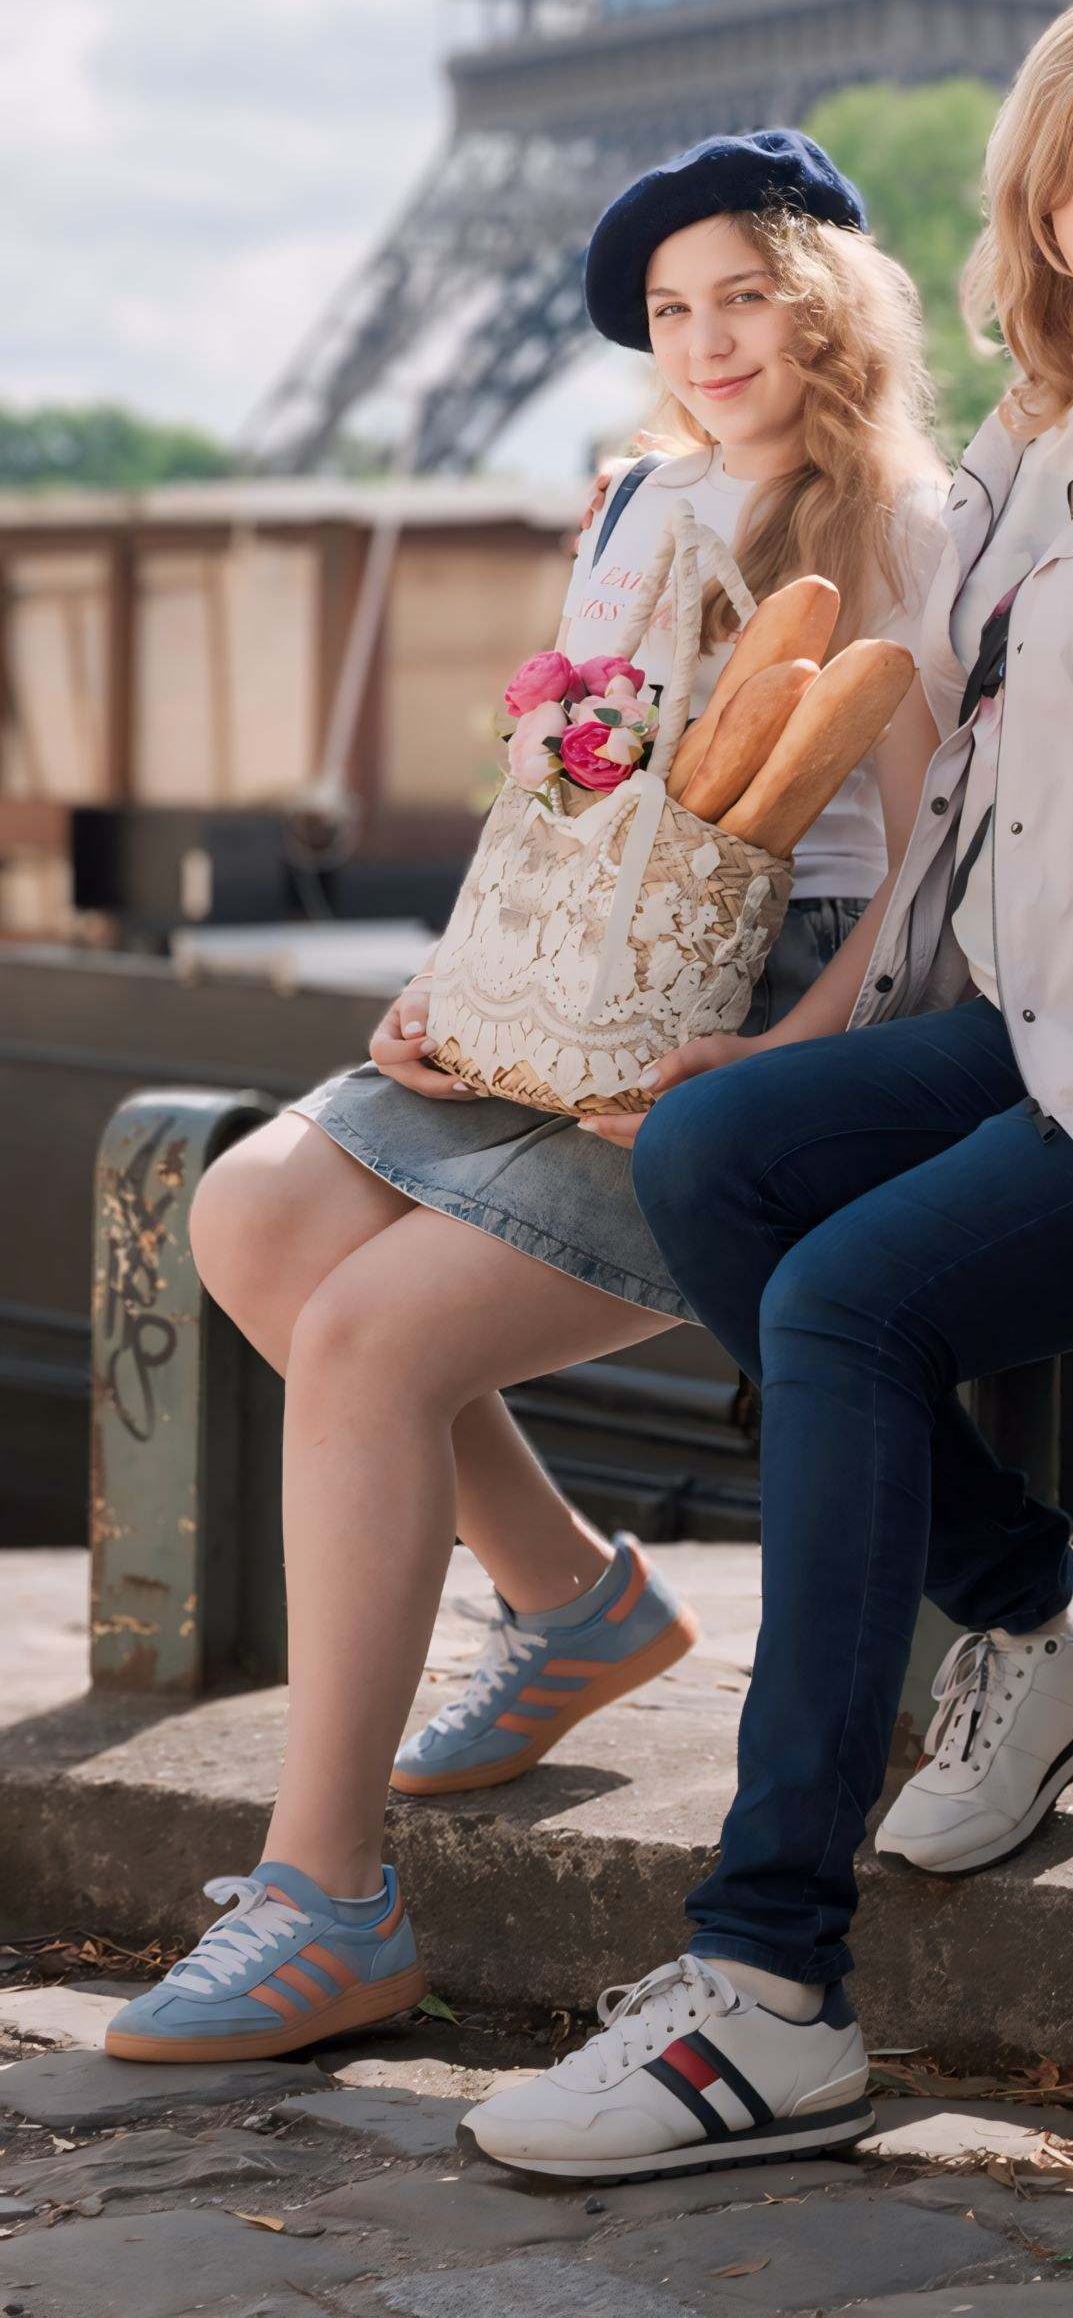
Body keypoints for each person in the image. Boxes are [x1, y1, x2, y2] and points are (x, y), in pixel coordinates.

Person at [459, 0, 1073, 2182]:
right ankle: (1037, 1609)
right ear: (1036, 192)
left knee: (843, 1305)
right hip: (1039, 1030)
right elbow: (970, 822)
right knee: (722, 1147)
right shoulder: (1024, 446)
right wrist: (804, 1038)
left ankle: (768, 1981)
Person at [106, 130, 945, 2067]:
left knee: (376, 1338)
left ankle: (327, 1896)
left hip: (749, 1036)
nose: (708, 337)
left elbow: (930, 860)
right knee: (250, 1211)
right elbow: (567, 802)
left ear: (827, 297)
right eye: (672, 310)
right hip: (555, 989)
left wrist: (792, 1048)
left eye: (745, 292)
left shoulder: (905, 516)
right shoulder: (640, 497)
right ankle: (569, 1598)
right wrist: (450, 986)